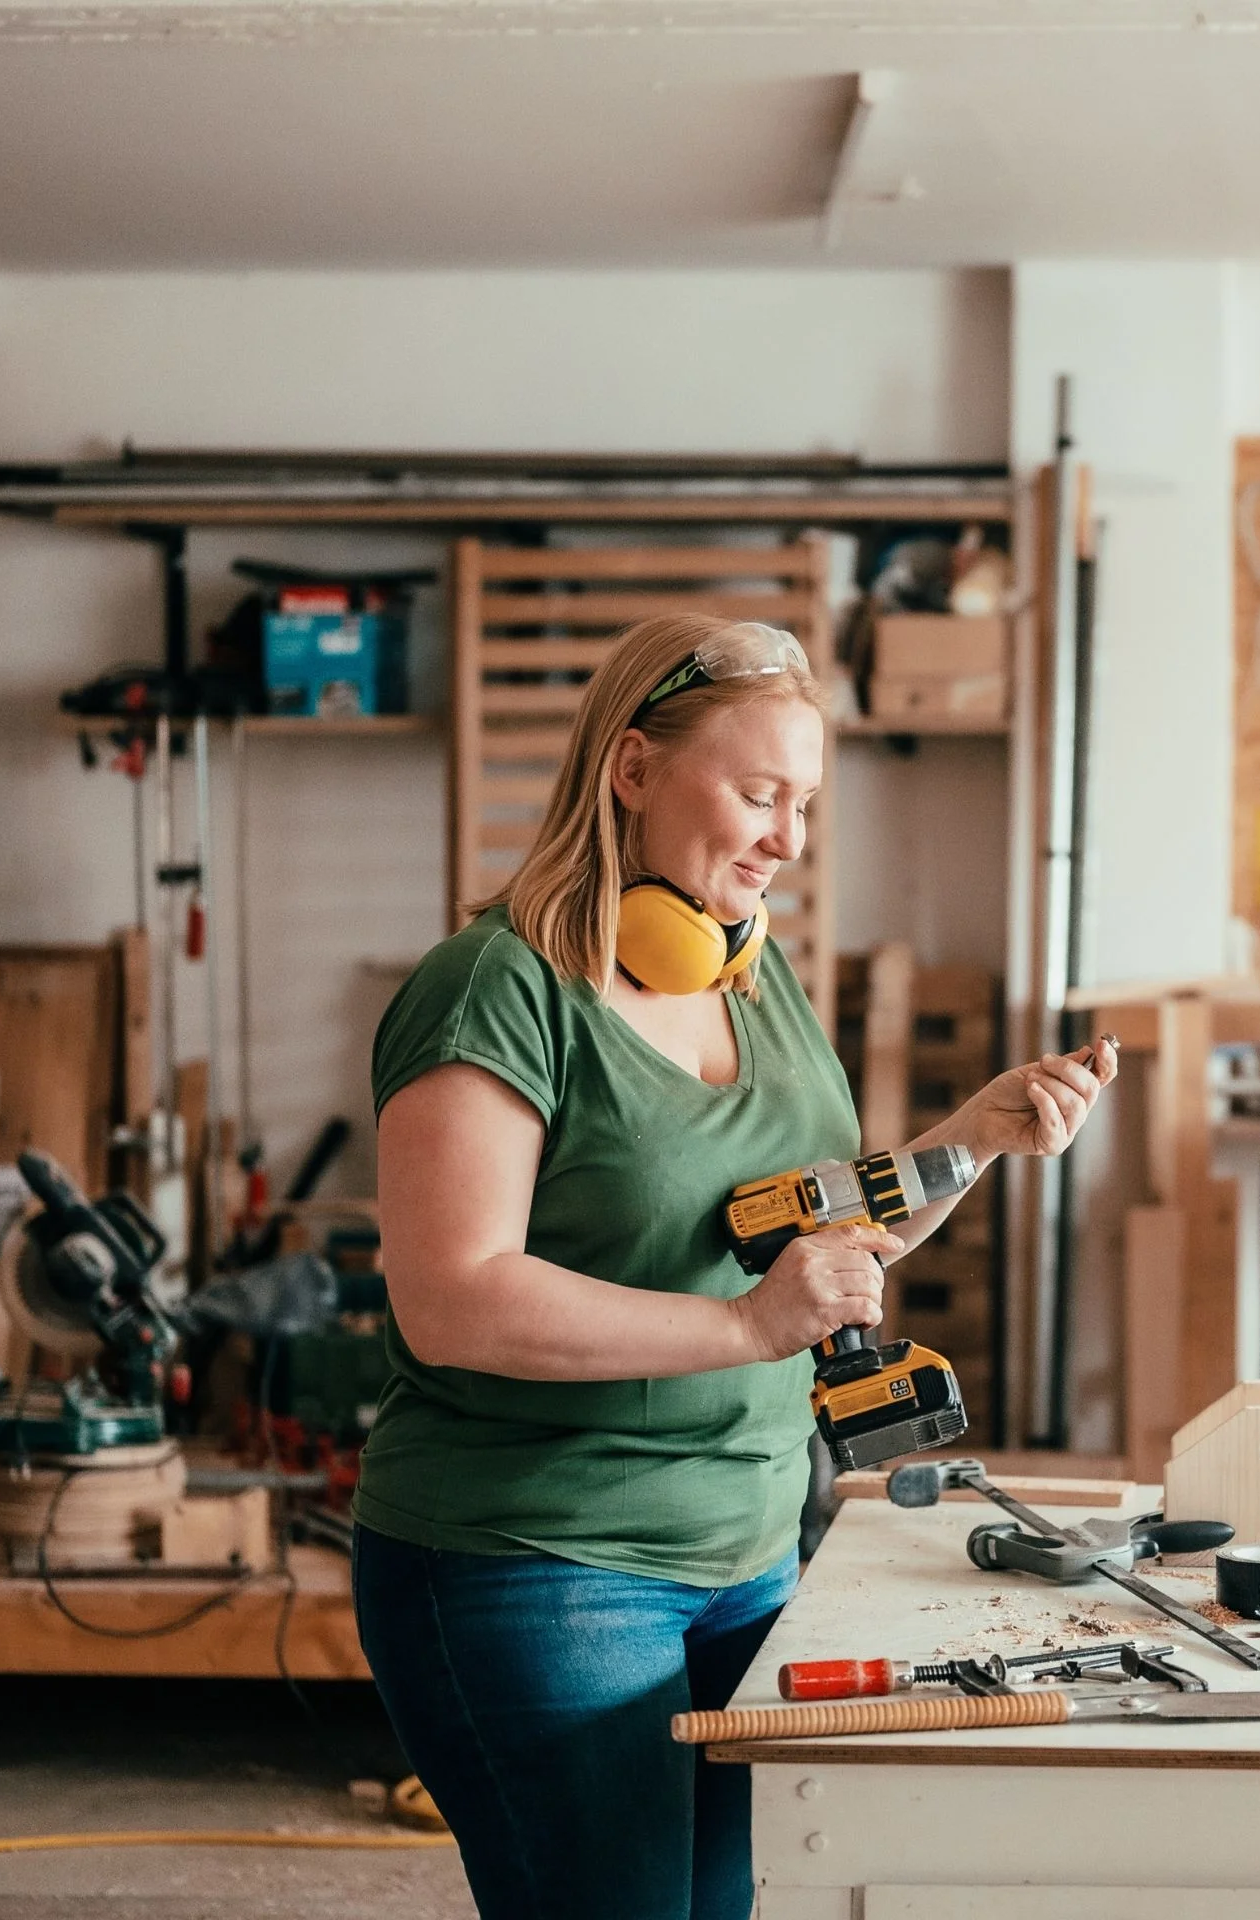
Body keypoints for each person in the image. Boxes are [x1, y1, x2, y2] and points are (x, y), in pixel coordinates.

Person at [351, 612, 1115, 1920]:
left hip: (754, 1555)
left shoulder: (750, 980)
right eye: (759, 794)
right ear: (632, 772)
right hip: (541, 1563)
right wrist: (752, 1328)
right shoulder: (498, 989)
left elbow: (813, 1241)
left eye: (804, 802)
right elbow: (452, 1297)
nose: (789, 839)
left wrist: (966, 1142)